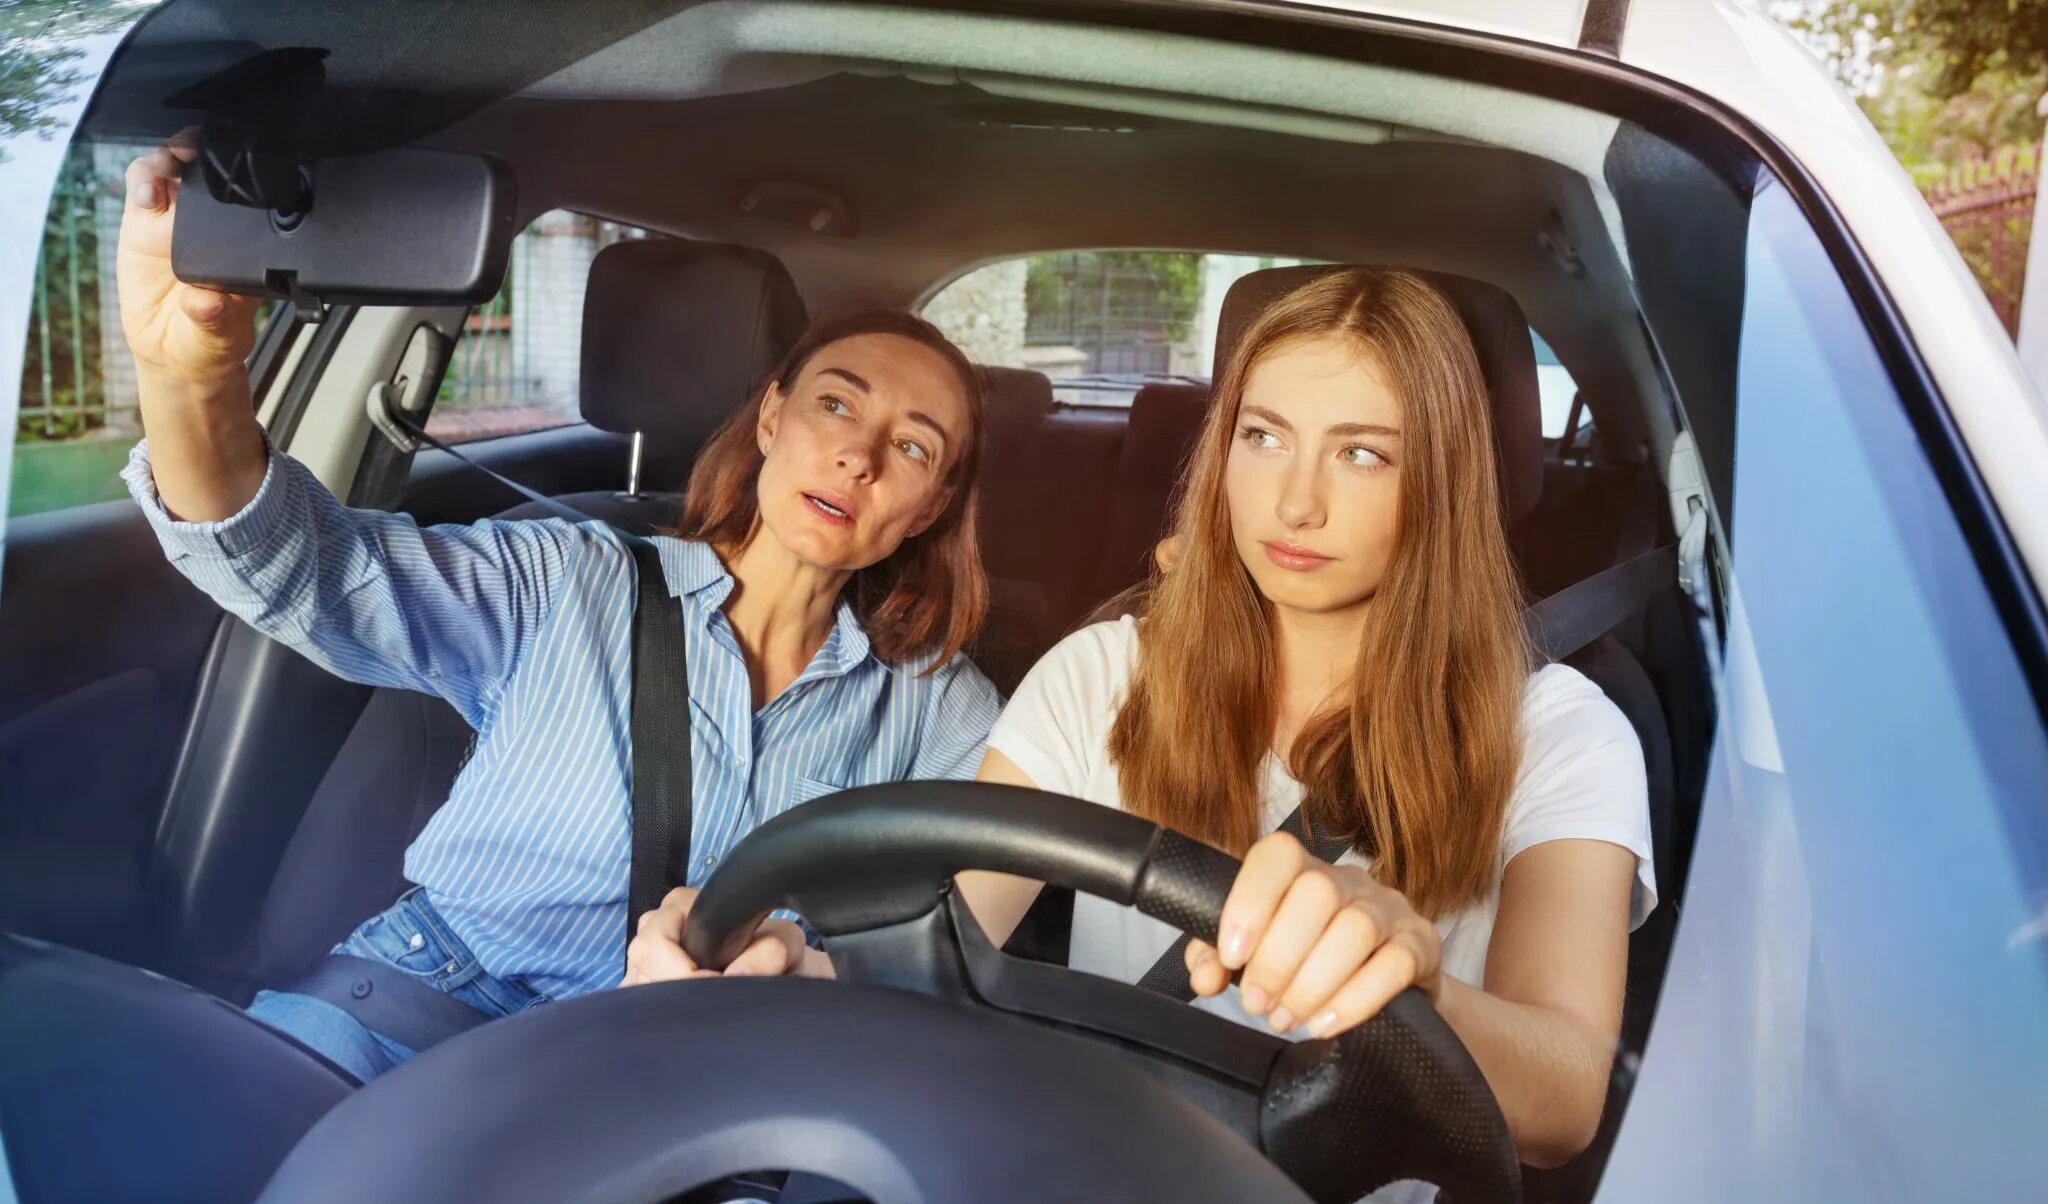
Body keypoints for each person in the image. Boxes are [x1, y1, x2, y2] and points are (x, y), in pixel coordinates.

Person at [116, 142, 1001, 1081]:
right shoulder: (568, 574)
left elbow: (944, 955)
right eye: (836, 405)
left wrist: (813, 969)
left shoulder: (944, 710)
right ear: (774, 418)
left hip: (699, 1068)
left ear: (935, 505)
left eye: (912, 448)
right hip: (425, 1013)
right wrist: (188, 376)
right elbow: (301, 564)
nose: (858, 457)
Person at [958, 267, 1656, 1170]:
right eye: (1264, 436)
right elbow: (942, 942)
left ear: (1440, 482)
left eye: (1362, 453)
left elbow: (1563, 1105)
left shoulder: (1561, 733)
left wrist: (1417, 987)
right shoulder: (1100, 673)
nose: (1295, 503)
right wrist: (799, 962)